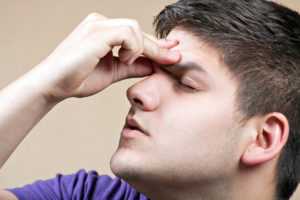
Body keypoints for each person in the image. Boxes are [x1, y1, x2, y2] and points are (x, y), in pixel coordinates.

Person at [0, 0, 300, 199]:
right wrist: (44, 86)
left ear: (263, 138)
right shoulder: (90, 195)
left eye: (185, 83)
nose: (137, 91)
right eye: (153, 72)